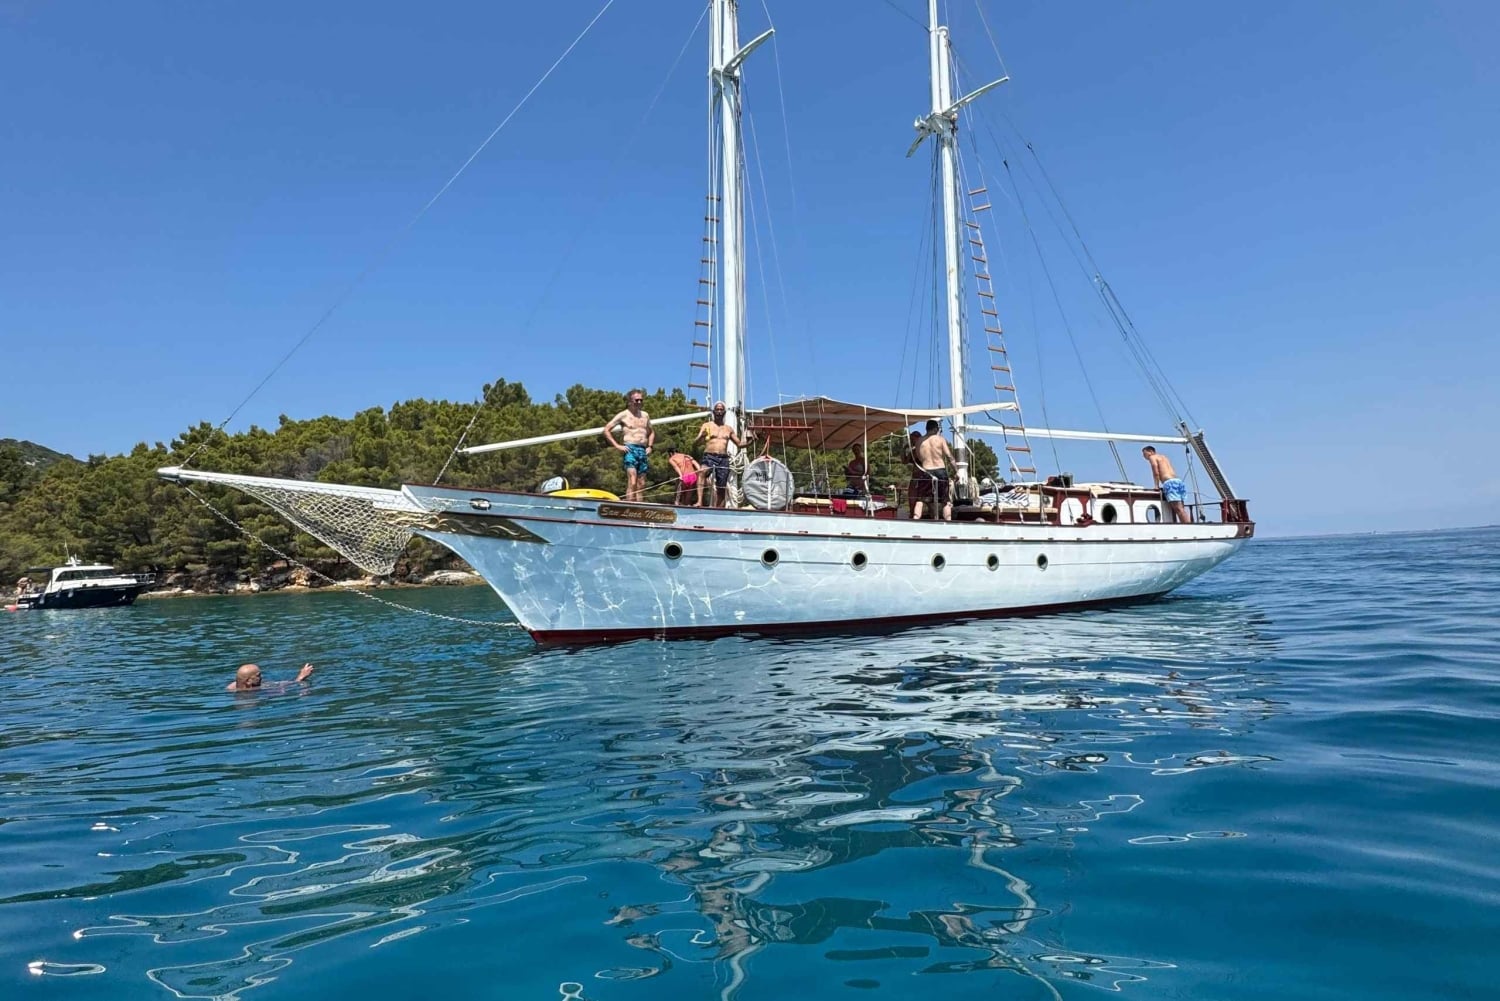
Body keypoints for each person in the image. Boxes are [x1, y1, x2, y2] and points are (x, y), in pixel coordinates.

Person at [603, 390, 655, 502]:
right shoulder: (623, 415)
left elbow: (651, 432)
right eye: (637, 400)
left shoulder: (645, 415)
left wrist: (650, 446)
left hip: (642, 450)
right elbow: (606, 429)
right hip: (630, 449)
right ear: (630, 402)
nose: (639, 402)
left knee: (641, 483)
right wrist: (617, 445)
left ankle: (639, 507)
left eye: (641, 400)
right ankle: (629, 506)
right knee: (632, 480)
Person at [693, 402, 744, 508]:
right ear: (714, 411)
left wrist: (751, 440)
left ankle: (719, 508)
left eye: (721, 410)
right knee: (702, 472)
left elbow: (739, 444)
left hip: (723, 458)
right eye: (717, 409)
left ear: (724, 412)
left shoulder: (728, 429)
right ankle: (699, 502)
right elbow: (695, 443)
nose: (719, 411)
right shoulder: (707, 425)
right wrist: (701, 437)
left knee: (721, 486)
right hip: (709, 456)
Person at [913, 420, 956, 522]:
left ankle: (915, 519)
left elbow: (919, 457)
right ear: (936, 429)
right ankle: (948, 521)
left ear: (926, 428)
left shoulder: (919, 441)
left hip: (926, 471)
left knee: (920, 500)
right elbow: (949, 456)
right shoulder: (940, 439)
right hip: (940, 470)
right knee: (945, 500)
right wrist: (956, 471)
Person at [1142, 446, 1190, 525]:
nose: (1144, 456)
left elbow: (1156, 472)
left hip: (1169, 482)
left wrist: (1156, 486)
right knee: (1182, 508)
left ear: (1151, 452)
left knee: (1178, 509)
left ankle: (1188, 526)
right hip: (1178, 481)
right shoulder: (1164, 457)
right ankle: (1188, 524)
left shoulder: (1152, 457)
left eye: (1144, 454)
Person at [228, 662, 314, 692]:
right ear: (248, 681)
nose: (261, 677)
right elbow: (283, 686)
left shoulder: (231, 687)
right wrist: (301, 677)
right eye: (258, 676)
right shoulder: (257, 689)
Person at [904, 430, 925, 518]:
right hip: (915, 477)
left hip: (923, 477)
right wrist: (904, 449)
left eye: (913, 439)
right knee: (912, 497)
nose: (912, 441)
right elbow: (905, 461)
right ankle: (912, 513)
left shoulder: (923, 449)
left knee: (922, 499)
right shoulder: (913, 451)